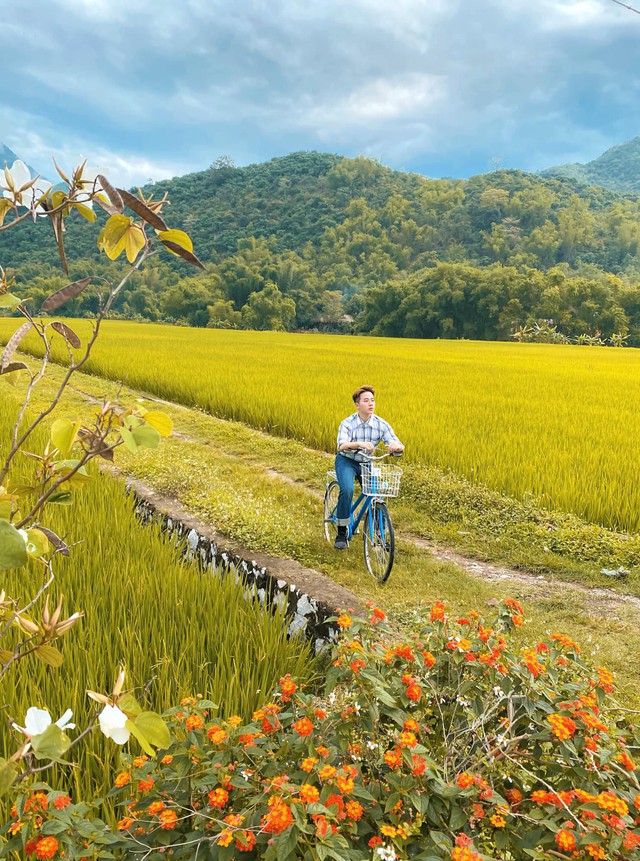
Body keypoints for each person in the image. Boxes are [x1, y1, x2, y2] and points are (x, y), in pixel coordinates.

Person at [334, 385, 404, 549]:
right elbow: (341, 445)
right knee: (348, 490)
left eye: (372, 400)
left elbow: (398, 443)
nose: (371, 404)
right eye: (366, 401)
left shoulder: (381, 424)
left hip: (366, 462)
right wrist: (359, 444)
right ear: (357, 405)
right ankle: (342, 532)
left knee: (375, 493)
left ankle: (379, 536)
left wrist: (395, 447)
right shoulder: (348, 423)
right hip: (347, 460)